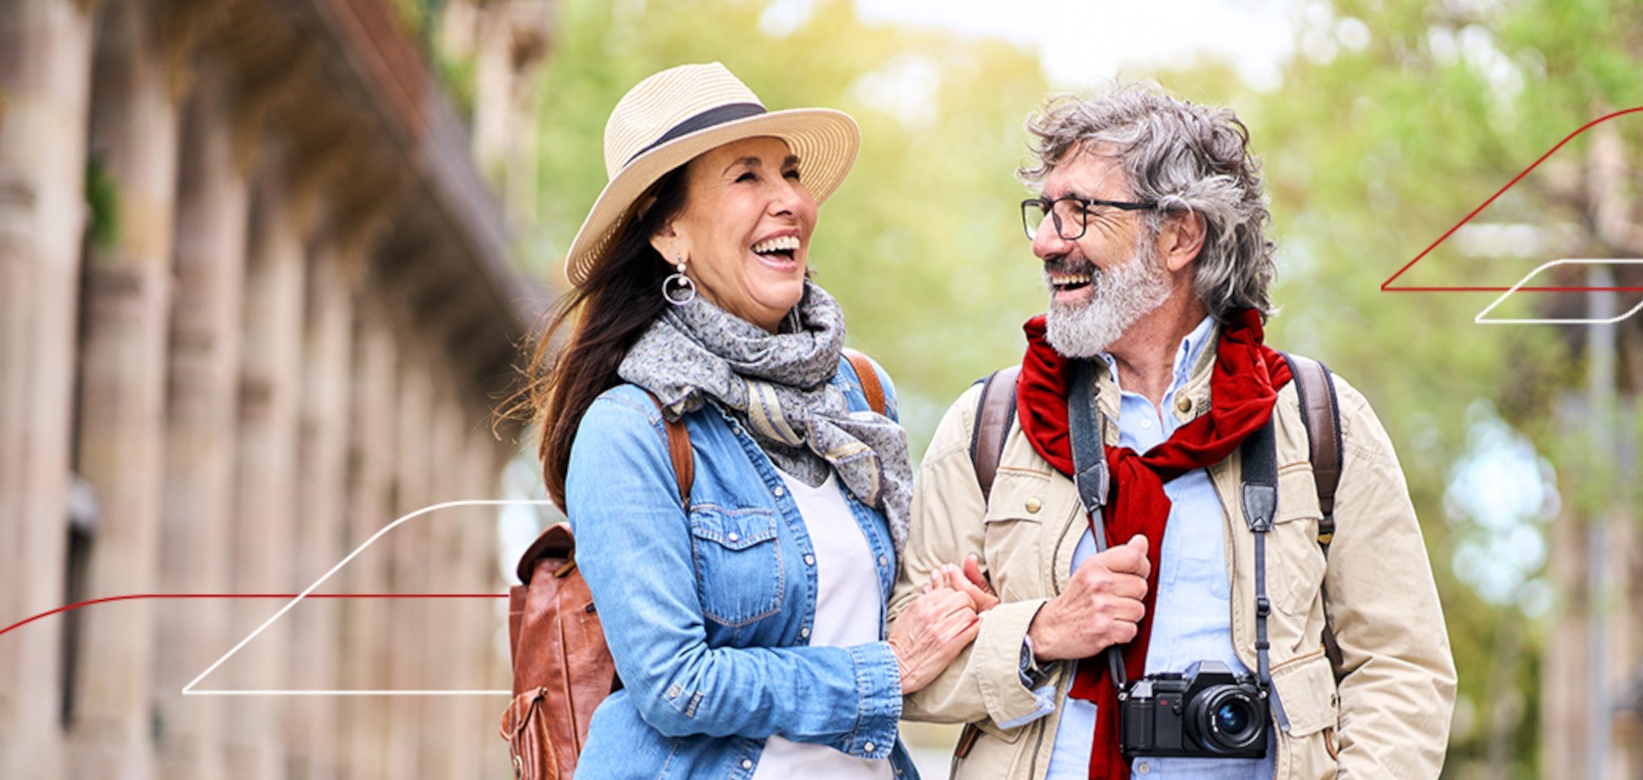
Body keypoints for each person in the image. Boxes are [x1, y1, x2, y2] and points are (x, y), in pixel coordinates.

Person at [890, 84, 1457, 779]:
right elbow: (904, 672)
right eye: (1044, 213)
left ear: (1180, 234)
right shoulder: (992, 423)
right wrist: (1040, 633)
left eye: (1079, 214)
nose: (1045, 242)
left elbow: (1403, 666)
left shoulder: (1316, 420)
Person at [518, 62, 979, 780]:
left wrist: (952, 608)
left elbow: (873, 619)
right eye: (746, 177)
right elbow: (676, 684)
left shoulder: (861, 394)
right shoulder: (630, 430)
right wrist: (884, 669)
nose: (788, 200)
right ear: (669, 232)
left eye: (789, 172)